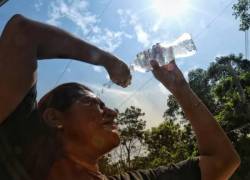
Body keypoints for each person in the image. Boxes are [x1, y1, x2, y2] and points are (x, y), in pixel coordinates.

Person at [0, 14, 240, 180]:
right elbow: (23, 32)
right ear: (54, 118)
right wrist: (107, 60)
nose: (113, 112)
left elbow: (223, 161)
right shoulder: (20, 156)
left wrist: (179, 87)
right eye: (92, 102)